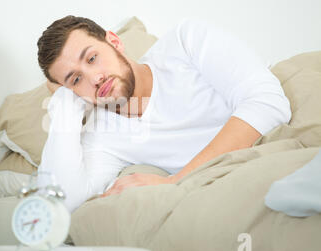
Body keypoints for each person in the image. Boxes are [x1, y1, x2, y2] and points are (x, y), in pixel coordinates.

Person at [36, 15, 292, 212]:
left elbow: (269, 103)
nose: (94, 78)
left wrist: (176, 181)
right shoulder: (103, 135)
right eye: (76, 79)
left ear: (114, 42)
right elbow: (62, 204)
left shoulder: (185, 41)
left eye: (92, 58)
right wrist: (65, 105)